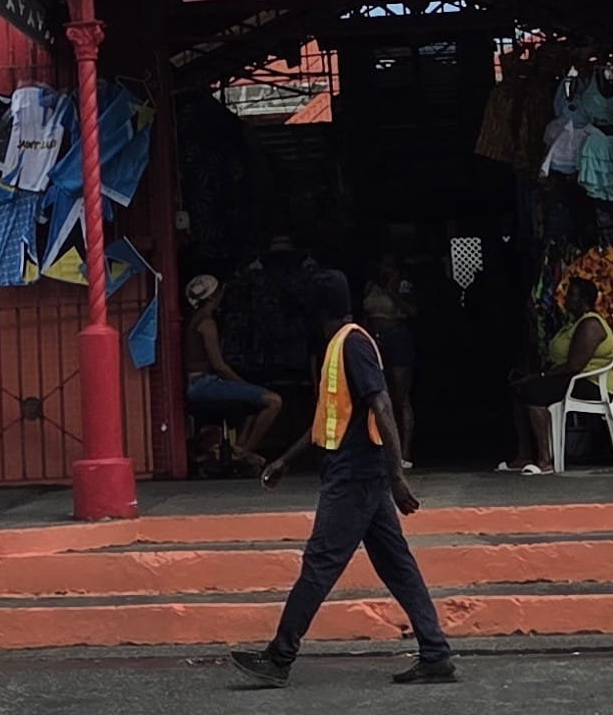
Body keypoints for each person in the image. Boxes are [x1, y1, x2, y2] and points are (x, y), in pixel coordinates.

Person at [229, 270, 456, 688]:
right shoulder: (343, 345)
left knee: (320, 563)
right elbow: (328, 419)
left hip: (355, 476)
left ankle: (279, 657)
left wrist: (397, 477)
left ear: (315, 311)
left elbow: (383, 408)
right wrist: (285, 460)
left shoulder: (351, 345)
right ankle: (436, 652)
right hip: (358, 472)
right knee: (397, 565)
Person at [505, 277, 613, 474]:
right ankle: (524, 455)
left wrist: (540, 376)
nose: (565, 299)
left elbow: (575, 365)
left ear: (583, 300)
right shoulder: (573, 324)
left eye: (571, 295)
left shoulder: (590, 324)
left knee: (535, 392)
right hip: (573, 379)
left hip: (590, 383)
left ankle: (544, 460)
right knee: (519, 389)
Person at [183, 275, 282, 460]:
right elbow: (219, 366)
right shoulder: (206, 323)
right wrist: (243, 384)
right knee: (273, 401)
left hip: (197, 385)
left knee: (253, 402)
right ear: (213, 297)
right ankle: (244, 453)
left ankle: (239, 449)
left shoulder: (193, 321)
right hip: (203, 385)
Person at [361, 254, 418, 465]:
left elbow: (413, 311)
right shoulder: (370, 287)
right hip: (376, 340)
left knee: (400, 398)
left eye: (390, 267)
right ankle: (380, 450)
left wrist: (392, 293)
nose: (386, 271)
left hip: (397, 338)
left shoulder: (403, 286)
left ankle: (404, 452)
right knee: (377, 394)